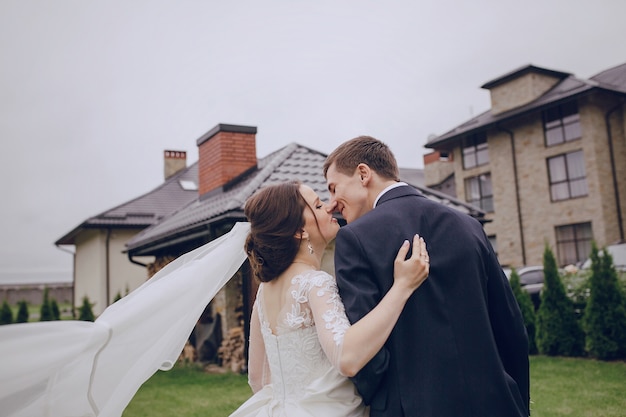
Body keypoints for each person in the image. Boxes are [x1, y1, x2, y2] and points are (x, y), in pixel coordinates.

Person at [323, 136, 530, 417]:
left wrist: (380, 399)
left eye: (334, 188)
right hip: (494, 403)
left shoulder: (355, 239)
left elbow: (368, 357)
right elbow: (510, 327)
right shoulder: (469, 226)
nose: (333, 203)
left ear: (363, 174)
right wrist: (517, 397)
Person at [229, 181, 430, 417]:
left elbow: (259, 379)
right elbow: (347, 358)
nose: (329, 206)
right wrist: (403, 286)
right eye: (317, 205)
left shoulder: (264, 291)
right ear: (299, 231)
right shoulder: (315, 283)